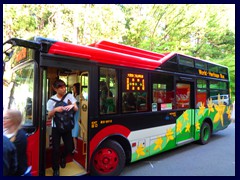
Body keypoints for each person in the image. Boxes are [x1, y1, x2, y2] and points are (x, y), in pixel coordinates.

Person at [47, 79, 78, 176]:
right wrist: (55, 110)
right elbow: (49, 116)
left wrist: (72, 106)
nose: (64, 89)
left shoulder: (69, 96)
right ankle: (56, 169)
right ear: (55, 89)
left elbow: (76, 108)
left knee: (69, 148)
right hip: (56, 127)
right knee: (55, 149)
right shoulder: (51, 101)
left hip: (67, 126)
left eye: (64, 86)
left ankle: (63, 157)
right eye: (61, 87)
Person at [3, 109, 30, 176]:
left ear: (14, 120)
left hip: (18, 173)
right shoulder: (4, 132)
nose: (3, 120)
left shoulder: (21, 136)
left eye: (6, 118)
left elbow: (9, 156)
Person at [71, 83, 81, 153]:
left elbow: (74, 108)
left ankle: (75, 148)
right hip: (77, 116)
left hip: (77, 116)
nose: (73, 90)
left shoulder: (78, 97)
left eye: (74, 88)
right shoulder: (78, 96)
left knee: (74, 134)